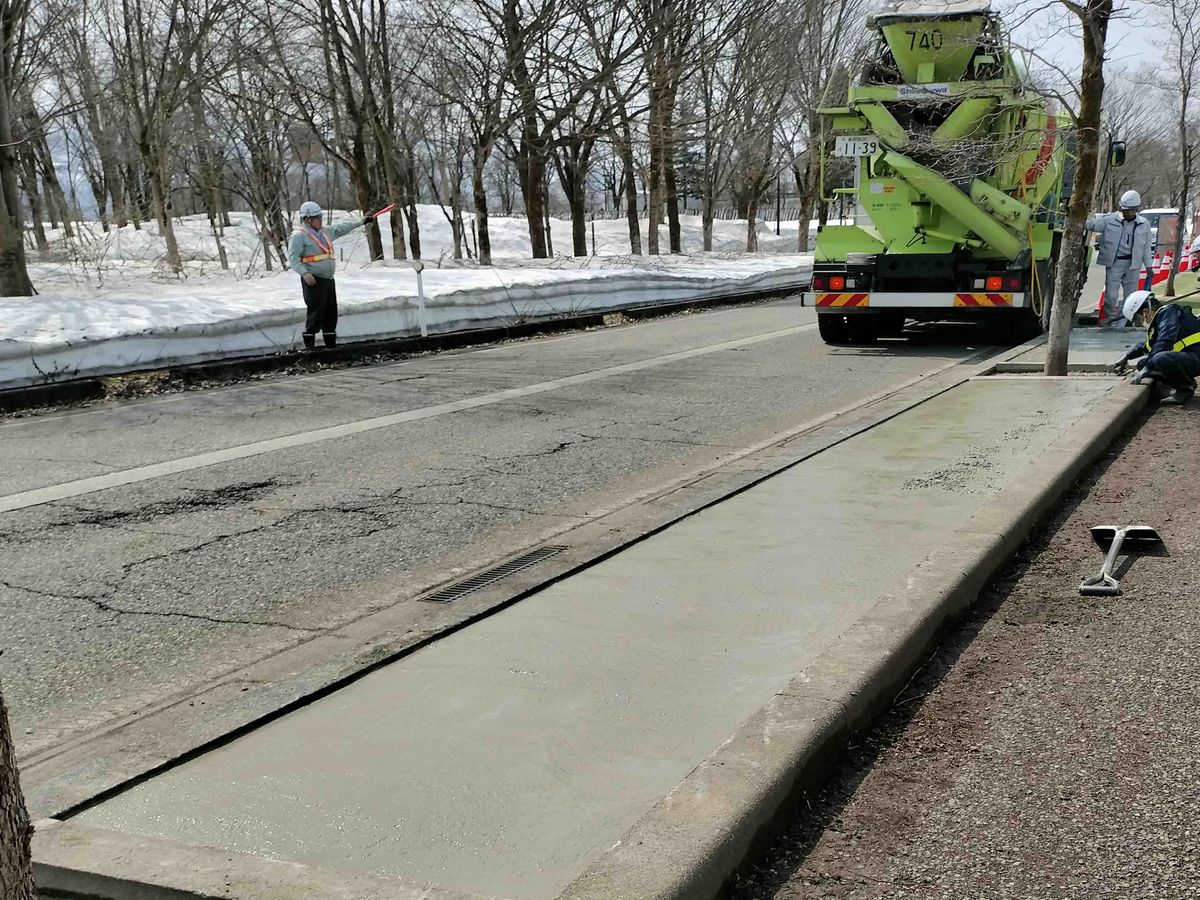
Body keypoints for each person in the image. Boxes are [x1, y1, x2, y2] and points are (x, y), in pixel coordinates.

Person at [288, 201, 373, 349]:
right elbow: (294, 259)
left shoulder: (324, 232)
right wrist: (305, 273)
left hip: (328, 279)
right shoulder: (298, 236)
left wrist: (361, 222)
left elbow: (341, 229)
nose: (321, 220)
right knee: (315, 312)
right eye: (318, 217)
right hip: (313, 280)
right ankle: (310, 348)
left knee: (330, 312)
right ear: (308, 219)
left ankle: (330, 346)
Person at [1113, 290, 1200, 405]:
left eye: (1136, 320)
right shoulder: (1160, 320)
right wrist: (1127, 356)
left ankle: (1184, 390)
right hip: (1192, 355)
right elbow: (1149, 346)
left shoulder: (1169, 313)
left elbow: (1165, 341)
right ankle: (1186, 381)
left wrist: (1148, 366)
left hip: (1196, 355)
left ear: (1145, 313)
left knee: (1159, 359)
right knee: (1142, 364)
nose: (1137, 324)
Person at [1087, 190, 1154, 328]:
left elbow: (1147, 246)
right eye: (1125, 210)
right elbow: (1091, 225)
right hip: (1115, 262)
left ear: (1136, 209)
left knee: (1131, 296)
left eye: (1131, 210)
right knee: (1111, 295)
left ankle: (1123, 322)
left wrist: (1149, 266)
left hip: (1133, 264)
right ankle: (1112, 317)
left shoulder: (1144, 224)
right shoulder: (1109, 220)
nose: (1128, 213)